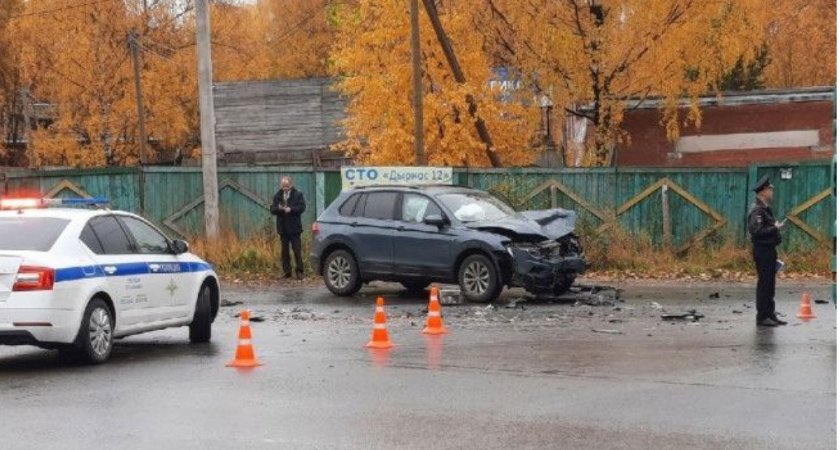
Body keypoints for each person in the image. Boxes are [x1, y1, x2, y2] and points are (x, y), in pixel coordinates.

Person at [747, 175, 787, 327]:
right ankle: (762, 316)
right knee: (764, 284)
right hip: (762, 250)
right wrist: (774, 228)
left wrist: (774, 227)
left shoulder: (764, 208)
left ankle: (770, 314)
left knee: (770, 284)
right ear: (763, 191)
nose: (772, 192)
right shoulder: (757, 210)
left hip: (769, 249)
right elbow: (756, 231)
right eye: (770, 189)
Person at [270, 176, 306, 280]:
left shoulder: (298, 194)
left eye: (286, 186)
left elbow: (302, 207)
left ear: (291, 185)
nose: (285, 188)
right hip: (283, 228)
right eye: (283, 186)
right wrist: (279, 209)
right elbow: (272, 209)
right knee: (284, 252)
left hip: (294, 228)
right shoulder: (278, 195)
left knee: (297, 251)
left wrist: (291, 209)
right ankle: (287, 272)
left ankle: (299, 272)